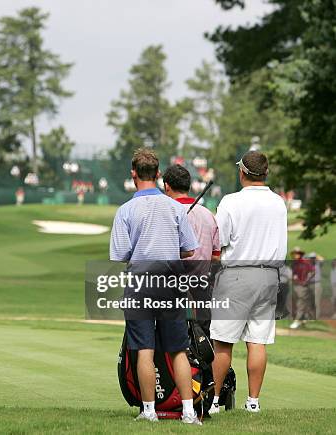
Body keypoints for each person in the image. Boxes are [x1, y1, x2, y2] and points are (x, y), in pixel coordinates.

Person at [110, 149, 201, 425]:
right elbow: (189, 250)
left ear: (133, 174)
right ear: (159, 175)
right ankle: (188, 412)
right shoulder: (176, 207)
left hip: (140, 284)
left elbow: (120, 255)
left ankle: (149, 411)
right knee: (177, 350)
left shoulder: (125, 210)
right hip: (171, 283)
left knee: (144, 350)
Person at [209, 151, 287, 414]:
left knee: (223, 342)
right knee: (257, 341)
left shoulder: (231, 201)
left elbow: (218, 240)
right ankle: (253, 401)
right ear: (265, 173)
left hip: (237, 274)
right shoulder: (279, 202)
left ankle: (215, 400)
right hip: (269, 276)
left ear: (242, 172)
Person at [163, 164, 220, 328]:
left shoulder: (165, 213)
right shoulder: (208, 214)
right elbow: (216, 256)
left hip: (171, 290)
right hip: (202, 289)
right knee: (203, 346)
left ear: (167, 186)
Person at [290, 247, 314, 329]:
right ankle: (303, 320)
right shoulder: (294, 263)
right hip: (295, 285)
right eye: (294, 253)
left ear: (300, 254)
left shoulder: (305, 262)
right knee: (297, 303)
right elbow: (293, 274)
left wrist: (306, 281)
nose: (295, 255)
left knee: (300, 303)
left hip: (303, 286)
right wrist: (293, 278)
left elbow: (312, 271)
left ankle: (297, 320)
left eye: (297, 253)